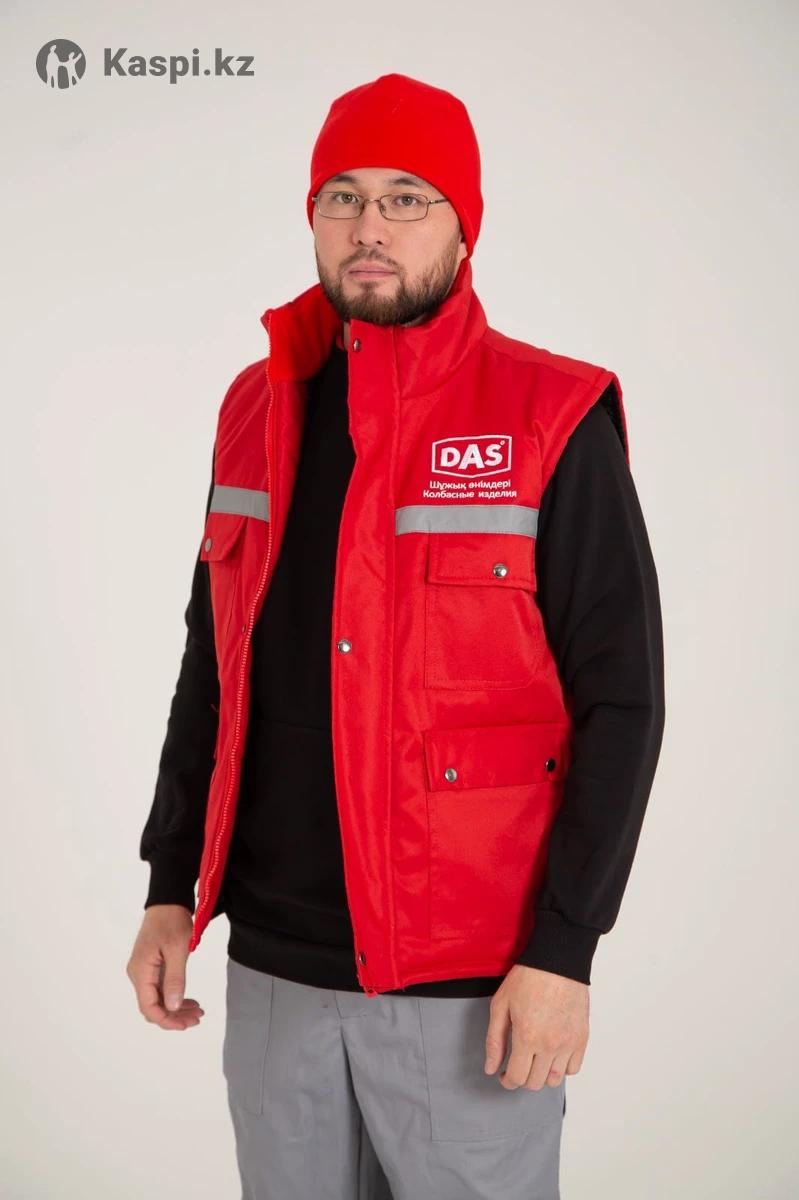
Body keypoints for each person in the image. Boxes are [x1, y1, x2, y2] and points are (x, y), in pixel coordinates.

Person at [127, 72, 665, 1199]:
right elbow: (210, 667)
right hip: (272, 976)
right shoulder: (254, 409)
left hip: (472, 988)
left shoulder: (550, 416)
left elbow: (622, 703)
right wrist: (170, 884)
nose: (369, 226)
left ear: (464, 227)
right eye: (343, 197)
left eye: (407, 198)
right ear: (313, 216)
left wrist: (565, 949)